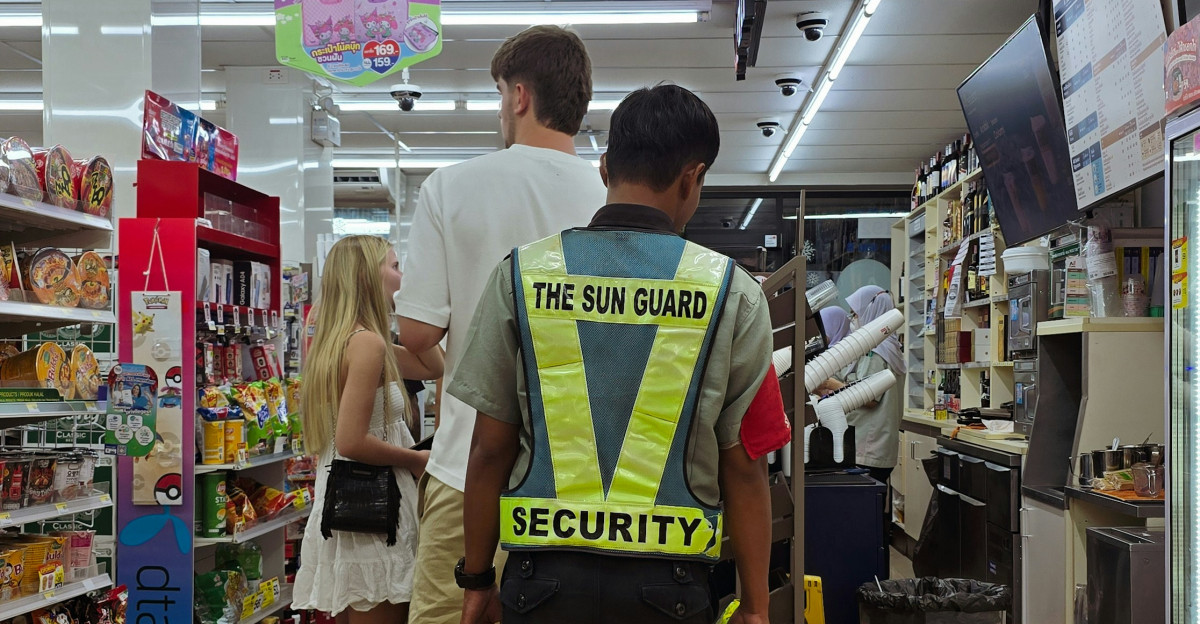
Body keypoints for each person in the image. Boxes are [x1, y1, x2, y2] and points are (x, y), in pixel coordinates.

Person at [450, 85, 788, 624]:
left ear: (605, 168)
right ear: (692, 177)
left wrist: (476, 580)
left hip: (539, 587)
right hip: (670, 592)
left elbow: (489, 451)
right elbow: (745, 469)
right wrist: (755, 607)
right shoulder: (732, 293)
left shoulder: (522, 276)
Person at [394, 25, 607, 624]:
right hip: (579, 482)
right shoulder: (609, 197)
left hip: (467, 466)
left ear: (518, 96)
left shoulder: (451, 187)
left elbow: (417, 334)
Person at [292, 235, 445, 624]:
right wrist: (415, 459)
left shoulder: (340, 339)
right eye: (395, 267)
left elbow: (433, 366)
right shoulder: (368, 345)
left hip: (348, 501)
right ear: (368, 277)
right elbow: (351, 440)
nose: (402, 275)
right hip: (376, 506)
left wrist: (410, 310)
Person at [841, 285, 905, 484]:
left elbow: (868, 398)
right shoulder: (890, 347)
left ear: (870, 312)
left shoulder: (876, 351)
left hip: (868, 448)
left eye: (855, 314)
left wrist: (830, 385)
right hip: (878, 447)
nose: (853, 319)